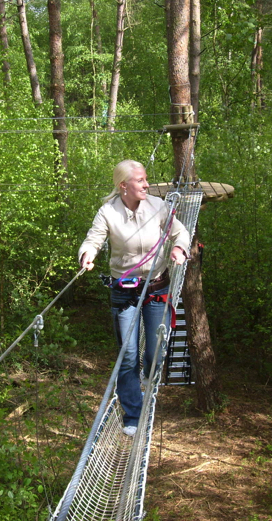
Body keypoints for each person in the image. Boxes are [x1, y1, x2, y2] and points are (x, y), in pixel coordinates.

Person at [78, 160, 190, 437]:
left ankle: (148, 387)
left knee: (154, 354)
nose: (147, 184)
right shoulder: (108, 212)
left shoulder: (158, 206)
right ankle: (133, 413)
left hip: (156, 288)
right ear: (123, 186)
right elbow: (94, 239)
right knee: (128, 356)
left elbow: (180, 231)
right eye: (140, 180)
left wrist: (178, 248)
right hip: (124, 291)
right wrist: (87, 255)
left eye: (146, 179)